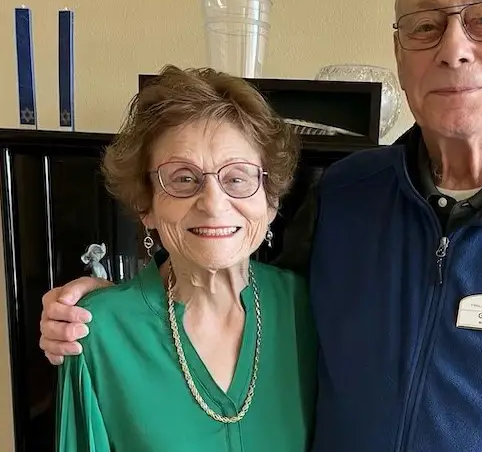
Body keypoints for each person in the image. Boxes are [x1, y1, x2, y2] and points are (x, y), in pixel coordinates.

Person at [40, 0, 482, 451]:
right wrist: (115, 302)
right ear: (399, 52)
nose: (453, 49)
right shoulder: (344, 195)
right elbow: (230, 272)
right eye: (425, 26)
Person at [53, 65, 317, 451]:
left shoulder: (310, 309)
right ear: (146, 205)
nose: (213, 204)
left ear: (271, 201)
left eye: (237, 178)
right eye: (183, 179)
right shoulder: (97, 334)